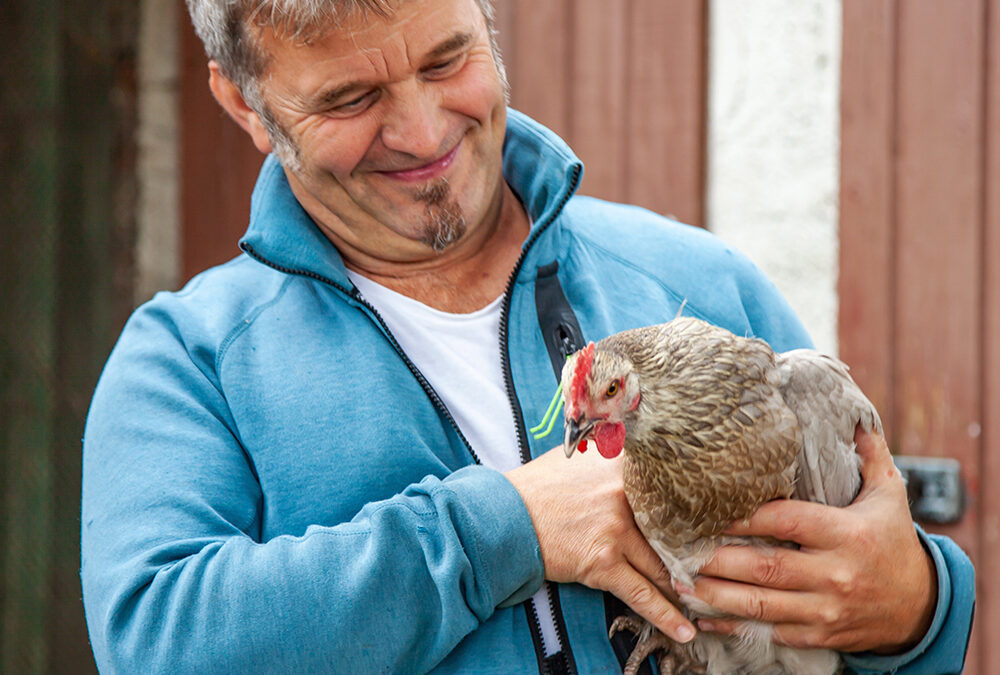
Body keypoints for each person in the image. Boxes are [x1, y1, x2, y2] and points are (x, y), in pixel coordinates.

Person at [81, 0, 974, 672]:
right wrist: (503, 531)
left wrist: (919, 607)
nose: (425, 131)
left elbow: (864, 576)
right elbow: (162, 642)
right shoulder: (190, 364)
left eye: (447, 59)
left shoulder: (698, 284)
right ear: (244, 104)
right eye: (351, 97)